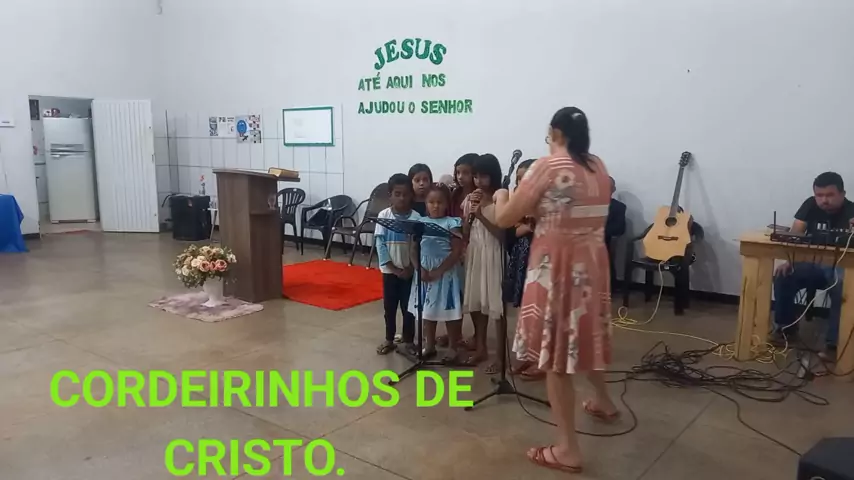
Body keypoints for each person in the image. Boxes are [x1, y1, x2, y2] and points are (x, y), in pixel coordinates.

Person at [493, 107, 617, 473]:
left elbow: (505, 218)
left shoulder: (547, 167)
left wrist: (501, 195)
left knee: (558, 358)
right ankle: (604, 402)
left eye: (549, 136)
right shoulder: (597, 165)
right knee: (585, 338)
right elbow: (568, 208)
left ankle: (568, 450)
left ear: (556, 133)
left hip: (558, 269)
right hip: (593, 265)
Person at [770, 172, 854, 357]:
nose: (824, 200)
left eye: (830, 195)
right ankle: (786, 328)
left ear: (842, 194)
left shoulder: (851, 211)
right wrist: (789, 261)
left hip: (840, 266)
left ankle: (834, 343)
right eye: (819, 195)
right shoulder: (810, 205)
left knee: (843, 286)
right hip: (812, 264)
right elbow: (795, 235)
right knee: (783, 276)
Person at [407, 183, 466, 362]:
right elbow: (413, 249)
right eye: (431, 202)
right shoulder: (420, 223)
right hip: (424, 272)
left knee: (449, 311)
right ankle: (429, 344)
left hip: (445, 273)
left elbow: (456, 251)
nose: (435, 206)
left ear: (446, 203)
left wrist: (439, 270)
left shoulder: (452, 223)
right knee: (427, 311)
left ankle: (453, 347)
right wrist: (419, 269)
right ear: (425, 203)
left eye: (440, 202)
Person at [461, 153, 506, 372]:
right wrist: (470, 216)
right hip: (475, 253)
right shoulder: (471, 198)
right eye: (476, 176)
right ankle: (481, 348)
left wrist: (481, 215)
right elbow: (465, 231)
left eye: (483, 176)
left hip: (494, 254)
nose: (479, 181)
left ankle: (501, 358)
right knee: (476, 303)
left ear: (493, 175)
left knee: (497, 307)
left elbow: (502, 235)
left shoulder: (500, 198)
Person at [505, 159, 545, 380]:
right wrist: (525, 226)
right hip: (522, 257)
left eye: (526, 177)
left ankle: (543, 361)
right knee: (526, 311)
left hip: (543, 259)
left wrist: (529, 225)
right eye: (518, 179)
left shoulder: (548, 202)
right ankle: (529, 354)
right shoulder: (519, 203)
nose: (521, 182)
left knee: (542, 311)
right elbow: (510, 231)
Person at [374, 174, 420, 356]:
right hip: (390, 272)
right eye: (397, 194)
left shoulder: (416, 218)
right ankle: (389, 339)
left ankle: (409, 340)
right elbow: (380, 244)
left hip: (409, 272)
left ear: (411, 196)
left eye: (405, 194)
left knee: (409, 308)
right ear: (390, 195)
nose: (402, 198)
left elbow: (417, 246)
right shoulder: (383, 216)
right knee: (390, 307)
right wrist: (393, 268)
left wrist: (410, 268)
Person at [605, 176, 627, 287]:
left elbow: (619, 229)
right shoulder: (586, 205)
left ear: (613, 189)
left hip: (602, 241)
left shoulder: (618, 207)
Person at [450, 153, 478, 218]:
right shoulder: (454, 194)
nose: (460, 177)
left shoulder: (478, 195)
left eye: (465, 173)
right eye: (458, 172)